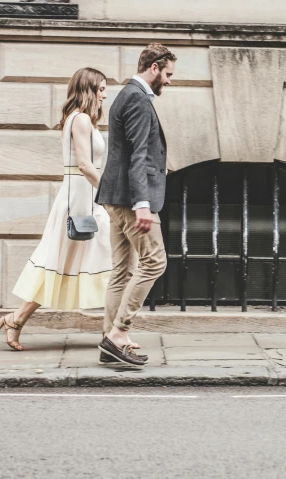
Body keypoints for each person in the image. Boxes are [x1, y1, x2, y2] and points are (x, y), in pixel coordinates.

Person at [0, 67, 113, 351]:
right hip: (81, 200)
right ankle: (115, 333)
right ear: (89, 89)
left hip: (82, 197)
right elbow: (84, 165)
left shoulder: (78, 119)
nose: (105, 95)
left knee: (70, 264)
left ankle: (16, 319)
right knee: (79, 262)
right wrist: (109, 194)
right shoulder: (81, 119)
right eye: (102, 89)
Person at [96, 43, 176, 366]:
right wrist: (143, 203)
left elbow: (128, 152)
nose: (169, 81)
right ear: (153, 68)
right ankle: (119, 332)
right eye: (168, 74)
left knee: (122, 270)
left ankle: (109, 339)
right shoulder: (139, 101)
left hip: (114, 197)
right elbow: (139, 156)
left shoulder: (125, 95)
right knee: (155, 261)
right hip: (131, 200)